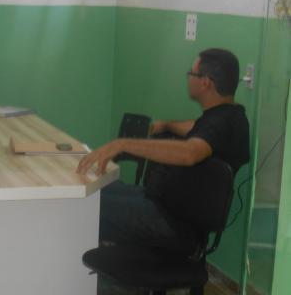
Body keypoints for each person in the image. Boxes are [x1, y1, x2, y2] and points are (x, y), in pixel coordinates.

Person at [77, 48, 250, 255]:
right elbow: (197, 128)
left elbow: (190, 153)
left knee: (85, 207)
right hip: (165, 204)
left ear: (205, 82)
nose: (188, 78)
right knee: (97, 192)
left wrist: (122, 144)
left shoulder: (221, 123)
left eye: (191, 73)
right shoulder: (230, 116)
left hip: (174, 224)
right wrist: (167, 125)